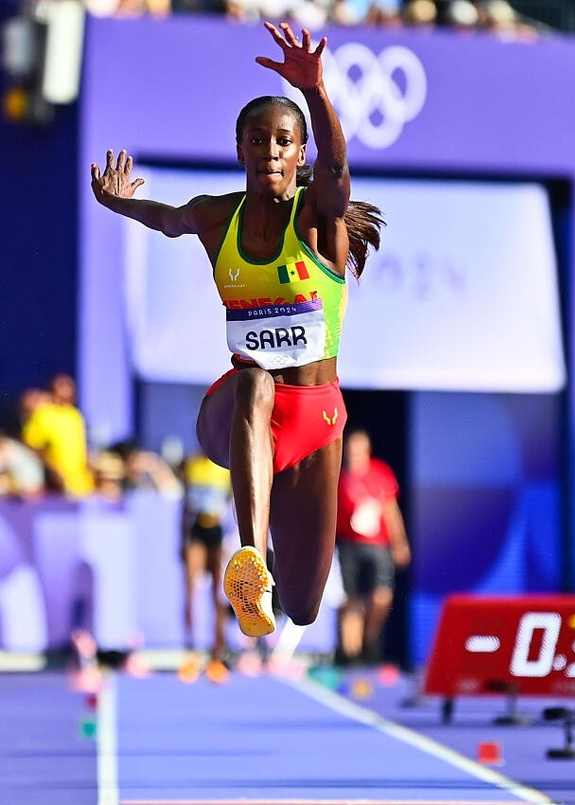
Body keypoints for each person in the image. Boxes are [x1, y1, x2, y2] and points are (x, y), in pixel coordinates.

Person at [91, 21, 384, 640]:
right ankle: (250, 560)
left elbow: (337, 168)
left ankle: (275, 584)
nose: (270, 151)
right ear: (240, 151)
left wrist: (316, 92)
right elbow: (168, 218)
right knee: (255, 381)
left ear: (299, 154)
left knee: (304, 607)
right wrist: (119, 203)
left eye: (283, 141)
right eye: (257, 140)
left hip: (317, 420)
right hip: (240, 413)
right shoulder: (215, 216)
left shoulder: (318, 219)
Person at [335, 428, 411, 665]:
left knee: (381, 597)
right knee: (351, 601)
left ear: (367, 451)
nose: (354, 455)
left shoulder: (380, 473)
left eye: (358, 450)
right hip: (349, 547)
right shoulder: (339, 476)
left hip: (378, 546)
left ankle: (369, 639)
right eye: (350, 451)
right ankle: (352, 655)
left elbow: (391, 511)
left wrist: (400, 542)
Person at [178, 451, 232, 680]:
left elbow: (232, 504)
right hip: (196, 533)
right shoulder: (190, 466)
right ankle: (191, 650)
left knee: (218, 594)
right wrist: (181, 539)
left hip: (218, 535)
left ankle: (217, 653)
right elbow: (185, 506)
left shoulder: (226, 467)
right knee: (190, 592)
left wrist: (231, 541)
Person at [21, 374, 95, 497]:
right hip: (57, 486)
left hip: (81, 484)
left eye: (69, 387)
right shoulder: (43, 415)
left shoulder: (75, 415)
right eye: (62, 387)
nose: (66, 391)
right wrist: (52, 469)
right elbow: (31, 445)